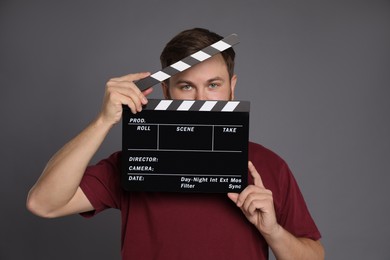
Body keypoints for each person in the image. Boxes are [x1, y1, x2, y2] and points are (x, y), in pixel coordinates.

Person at [27, 28, 324, 259]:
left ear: (232, 88)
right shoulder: (135, 161)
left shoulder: (269, 166)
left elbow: (314, 255)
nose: (201, 100)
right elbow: (43, 204)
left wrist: (272, 231)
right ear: (167, 91)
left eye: (213, 85)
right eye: (186, 87)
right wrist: (102, 121)